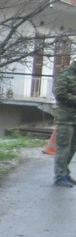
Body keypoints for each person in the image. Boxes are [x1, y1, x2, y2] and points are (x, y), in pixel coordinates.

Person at [53, 59, 76, 187]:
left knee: (72, 148)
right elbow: (59, 94)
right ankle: (59, 176)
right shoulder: (64, 75)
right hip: (65, 119)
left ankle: (65, 172)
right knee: (63, 148)